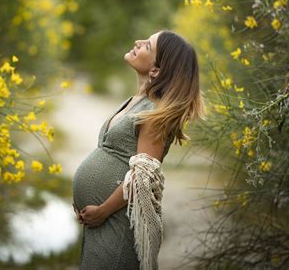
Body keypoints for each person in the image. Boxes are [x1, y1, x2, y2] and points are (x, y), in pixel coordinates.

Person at [72, 29, 206, 269]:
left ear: (156, 70)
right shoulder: (137, 101)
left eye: (147, 45)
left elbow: (142, 178)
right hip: (103, 222)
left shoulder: (155, 114)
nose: (137, 42)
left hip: (117, 223)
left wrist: (102, 210)